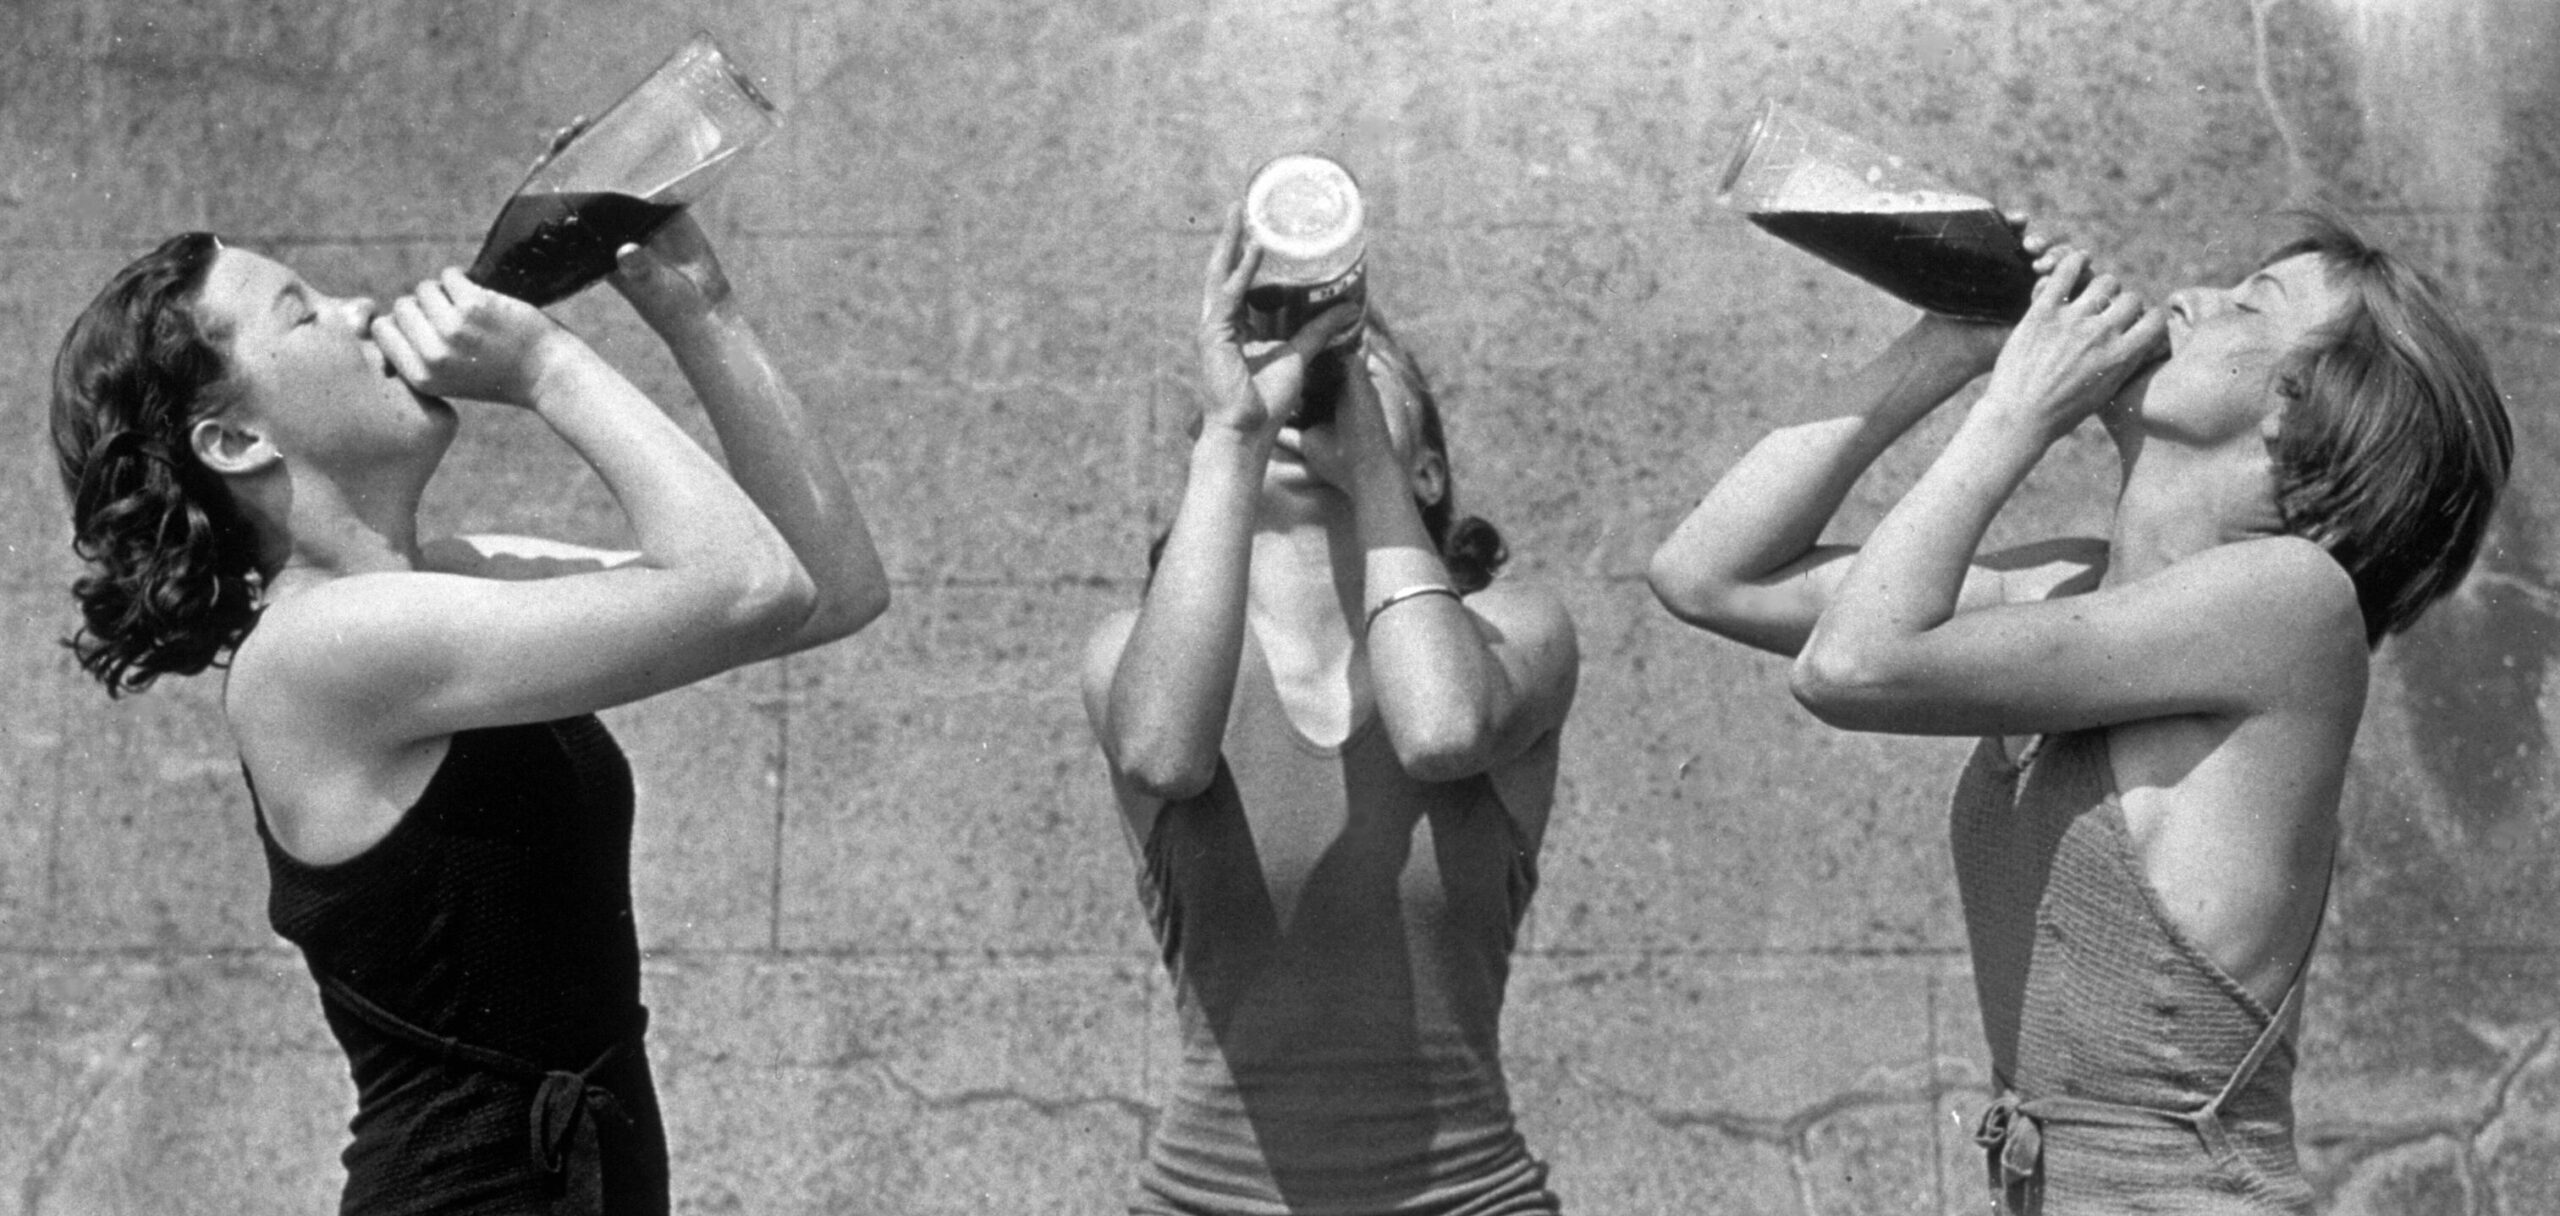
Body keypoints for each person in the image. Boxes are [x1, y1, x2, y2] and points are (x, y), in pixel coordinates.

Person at [1646, 212, 2510, 1214]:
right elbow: (1706, 573)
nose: (2184, 297)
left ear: (2303, 417)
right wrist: (1955, 342)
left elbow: (1848, 667)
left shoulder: (2290, 601)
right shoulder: (2076, 588)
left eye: (2245, 305)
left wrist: (2017, 411)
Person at [50, 215, 889, 1215]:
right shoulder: (316, 651)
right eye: (305, 312)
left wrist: (700, 314)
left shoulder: (450, 578)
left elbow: (825, 587)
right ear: (235, 440)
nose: (360, 310)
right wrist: (546, 365)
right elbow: (750, 587)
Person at [1081, 208, 1581, 1216]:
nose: (1307, 387)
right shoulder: (1125, 652)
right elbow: (1164, 755)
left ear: (1431, 470)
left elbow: (1441, 730)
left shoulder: (1509, 629)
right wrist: (1232, 429)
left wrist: (1374, 472)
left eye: (1353, 367)